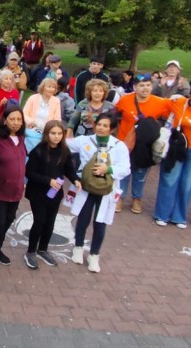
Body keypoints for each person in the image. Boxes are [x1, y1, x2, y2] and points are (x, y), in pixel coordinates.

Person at [67, 114, 131, 273]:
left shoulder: (119, 146)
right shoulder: (85, 141)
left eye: (105, 125)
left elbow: (126, 168)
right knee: (83, 217)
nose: (101, 128)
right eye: (99, 124)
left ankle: (94, 254)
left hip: (106, 189)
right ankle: (78, 247)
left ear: (112, 129)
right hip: (86, 186)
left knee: (100, 222)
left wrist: (108, 169)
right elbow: (64, 144)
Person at [153, 82, 191, 229]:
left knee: (188, 184)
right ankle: (162, 214)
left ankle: (179, 216)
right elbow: (158, 103)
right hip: (177, 148)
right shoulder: (180, 103)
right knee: (169, 180)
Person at [24, 120, 81, 270]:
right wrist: (48, 181)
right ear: (47, 134)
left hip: (55, 194)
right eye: (53, 133)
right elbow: (29, 172)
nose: (56, 137)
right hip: (37, 193)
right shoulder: (39, 150)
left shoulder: (64, 150)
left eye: (59, 133)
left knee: (50, 223)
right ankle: (30, 251)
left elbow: (69, 169)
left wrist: (75, 180)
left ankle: (43, 249)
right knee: (40, 221)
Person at [114, 73, 172, 214]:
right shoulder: (125, 100)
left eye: (148, 85)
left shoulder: (160, 102)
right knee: (124, 172)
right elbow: (114, 114)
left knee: (140, 174)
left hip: (145, 145)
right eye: (141, 85)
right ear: (135, 87)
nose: (145, 88)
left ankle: (137, 198)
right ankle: (120, 197)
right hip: (126, 143)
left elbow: (176, 111)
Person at [0, 106, 28, 273]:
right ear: (5, 120)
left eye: (19, 119)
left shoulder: (23, 138)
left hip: (16, 192)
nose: (16, 123)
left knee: (8, 221)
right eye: (12, 119)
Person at [23, 78, 63, 151]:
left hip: (46, 132)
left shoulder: (56, 101)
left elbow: (57, 119)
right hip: (31, 129)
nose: (51, 89)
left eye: (53, 87)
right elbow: (24, 113)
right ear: (43, 87)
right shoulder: (33, 98)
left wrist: (49, 127)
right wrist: (31, 122)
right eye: (49, 87)